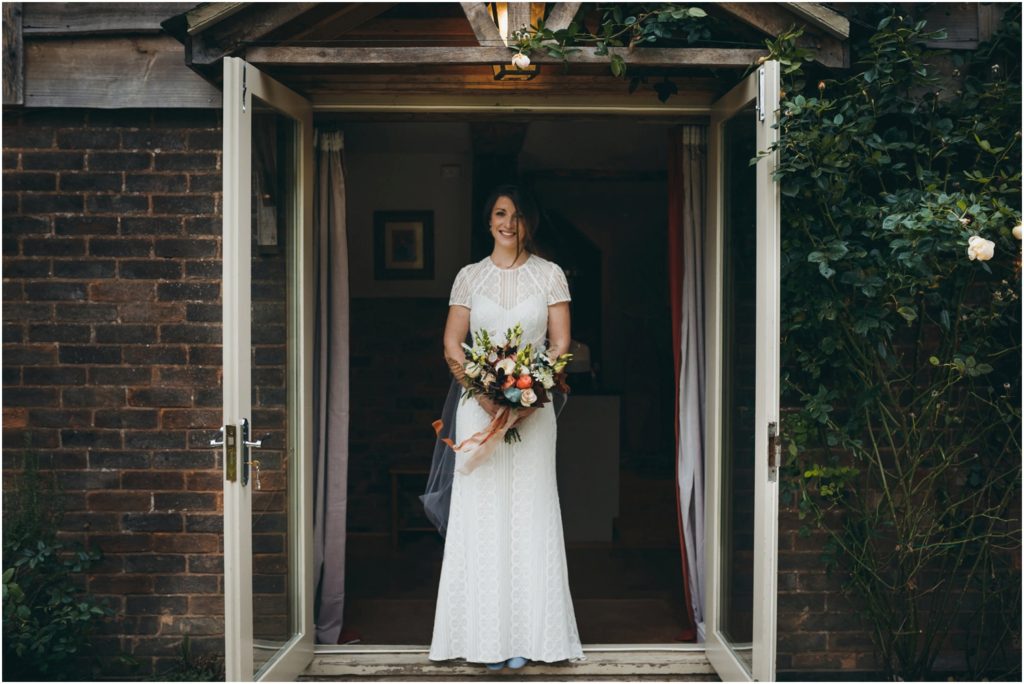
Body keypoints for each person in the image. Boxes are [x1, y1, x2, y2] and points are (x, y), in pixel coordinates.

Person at [428, 186, 585, 670]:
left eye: (517, 216)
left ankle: (529, 639)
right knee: (483, 517)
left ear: (529, 222)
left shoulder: (550, 276)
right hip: (479, 411)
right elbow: (454, 345)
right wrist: (483, 394)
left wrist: (531, 395)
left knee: (530, 514)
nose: (508, 223)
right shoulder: (469, 277)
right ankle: (481, 638)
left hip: (533, 417)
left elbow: (560, 345)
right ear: (488, 219)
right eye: (500, 213)